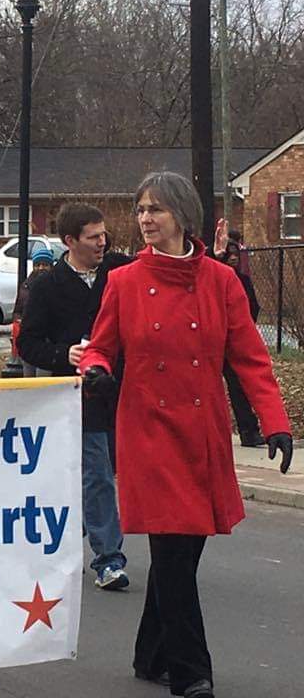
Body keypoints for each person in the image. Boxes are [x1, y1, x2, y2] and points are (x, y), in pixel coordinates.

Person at [80, 172, 293, 698]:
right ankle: (193, 673)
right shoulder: (125, 281)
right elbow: (100, 347)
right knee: (174, 556)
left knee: (183, 554)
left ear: (182, 215)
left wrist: (275, 422)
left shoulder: (221, 281)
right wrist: (97, 372)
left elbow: (249, 357)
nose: (146, 219)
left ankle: (150, 655)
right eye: (141, 209)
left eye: (156, 209)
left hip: (201, 433)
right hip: (148, 431)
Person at [18, 203, 132, 591]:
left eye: (104, 234)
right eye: (93, 237)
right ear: (70, 241)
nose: (102, 242)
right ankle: (109, 560)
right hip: (79, 395)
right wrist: (61, 353)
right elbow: (28, 342)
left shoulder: (121, 270)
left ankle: (57, 541)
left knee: (101, 475)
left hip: (126, 389)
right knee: (98, 474)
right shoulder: (48, 286)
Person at [220, 240, 265, 446]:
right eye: (229, 254)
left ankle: (249, 430)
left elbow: (253, 306)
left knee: (239, 387)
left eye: (236, 253)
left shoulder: (243, 281)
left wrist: (242, 330)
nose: (233, 257)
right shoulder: (213, 278)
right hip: (212, 342)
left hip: (233, 344)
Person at [12, 246, 55, 378]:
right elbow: (17, 309)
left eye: (45, 264)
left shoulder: (56, 284)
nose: (41, 268)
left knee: (43, 380)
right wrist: (19, 321)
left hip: (47, 342)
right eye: (38, 264)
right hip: (28, 340)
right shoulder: (26, 285)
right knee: (29, 380)